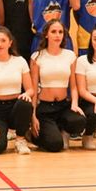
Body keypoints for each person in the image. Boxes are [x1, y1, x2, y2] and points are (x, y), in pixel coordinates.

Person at [30, 20, 85, 152]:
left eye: (60, 32)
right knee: (55, 145)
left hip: (63, 105)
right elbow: (33, 89)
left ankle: (63, 130)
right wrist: (33, 116)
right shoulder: (37, 57)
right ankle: (34, 136)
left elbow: (73, 86)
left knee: (80, 121)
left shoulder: (70, 55)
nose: (57, 35)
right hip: (45, 108)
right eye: (53, 32)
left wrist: (75, 104)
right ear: (46, 35)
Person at [0, 26, 34, 154]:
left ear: (10, 43)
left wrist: (26, 94)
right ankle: (4, 131)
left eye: (3, 40)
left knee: (25, 103)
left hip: (15, 106)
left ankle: (20, 139)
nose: (0, 44)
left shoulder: (20, 61)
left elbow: (31, 89)